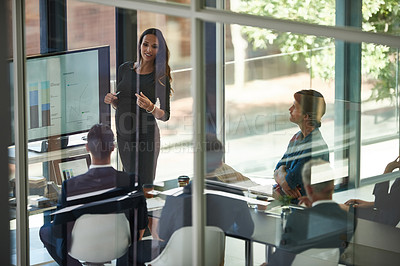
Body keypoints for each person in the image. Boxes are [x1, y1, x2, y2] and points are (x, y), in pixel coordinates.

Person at [39, 124, 148, 265]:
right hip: (119, 246)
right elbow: (141, 224)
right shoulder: (131, 181)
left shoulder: (71, 186)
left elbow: (59, 231)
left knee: (45, 230)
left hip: (81, 248)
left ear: (87, 148)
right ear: (113, 148)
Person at [104, 28, 172, 187]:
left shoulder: (161, 77)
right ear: (140, 45)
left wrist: (150, 107)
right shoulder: (124, 69)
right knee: (129, 183)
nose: (148, 50)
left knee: (144, 185)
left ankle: (145, 212)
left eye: (154, 46)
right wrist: (113, 100)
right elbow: (121, 102)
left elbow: (165, 115)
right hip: (124, 135)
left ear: (160, 50)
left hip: (146, 138)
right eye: (145, 44)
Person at [137, 182, 255, 264]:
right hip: (211, 258)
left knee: (133, 252)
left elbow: (162, 234)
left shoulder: (176, 198)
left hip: (178, 258)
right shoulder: (230, 195)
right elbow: (247, 230)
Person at [266, 159, 355, 266]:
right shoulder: (348, 219)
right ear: (332, 186)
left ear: (308, 188)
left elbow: (282, 259)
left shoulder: (298, 219)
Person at [273, 89, 329, 203]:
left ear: (306, 116)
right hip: (291, 203)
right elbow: (276, 170)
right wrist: (281, 172)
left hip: (305, 209)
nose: (290, 109)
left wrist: (282, 176)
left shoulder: (314, 147)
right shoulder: (297, 137)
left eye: (294, 107)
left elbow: (289, 182)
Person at [344, 156, 400, 227]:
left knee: (341, 209)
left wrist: (387, 170)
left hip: (383, 220)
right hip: (383, 214)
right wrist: (369, 204)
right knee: (344, 207)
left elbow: (381, 202)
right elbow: (393, 202)